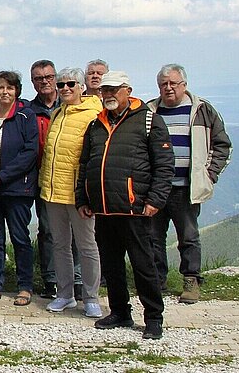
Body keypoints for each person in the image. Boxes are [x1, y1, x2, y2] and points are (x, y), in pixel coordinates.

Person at [77, 71, 173, 340]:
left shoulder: (148, 121)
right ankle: (120, 311)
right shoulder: (97, 124)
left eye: (113, 90)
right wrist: (83, 198)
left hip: (135, 209)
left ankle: (153, 317)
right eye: (104, 90)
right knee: (112, 265)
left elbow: (164, 164)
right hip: (104, 208)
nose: (108, 95)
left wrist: (155, 200)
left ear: (127, 91)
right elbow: (85, 164)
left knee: (144, 265)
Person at [146, 64, 232, 304]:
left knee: (189, 236)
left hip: (187, 186)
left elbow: (222, 145)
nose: (169, 88)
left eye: (173, 83)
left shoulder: (202, 110)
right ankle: (156, 279)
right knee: (153, 236)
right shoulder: (150, 111)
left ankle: (191, 280)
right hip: (156, 186)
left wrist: (209, 174)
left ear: (184, 84)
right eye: (164, 84)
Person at [39, 68, 104, 318]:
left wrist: (88, 193)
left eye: (71, 84)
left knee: (87, 246)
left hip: (78, 194)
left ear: (81, 87)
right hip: (53, 191)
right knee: (60, 245)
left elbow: (94, 155)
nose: (65, 88)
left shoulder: (94, 114)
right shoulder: (57, 113)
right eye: (62, 84)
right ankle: (65, 294)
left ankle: (91, 297)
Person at [0, 71, 40, 307]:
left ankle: (24, 286)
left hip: (17, 187)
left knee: (19, 237)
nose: (5, 92)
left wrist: (3, 176)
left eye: (10, 87)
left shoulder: (26, 116)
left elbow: (30, 152)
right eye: (0, 87)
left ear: (17, 91)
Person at [27, 59, 70, 299]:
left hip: (63, 176)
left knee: (70, 229)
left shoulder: (68, 107)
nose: (44, 82)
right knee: (47, 230)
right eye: (38, 78)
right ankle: (51, 279)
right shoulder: (28, 110)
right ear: (32, 82)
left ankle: (75, 278)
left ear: (55, 79)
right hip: (36, 176)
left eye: (48, 77)